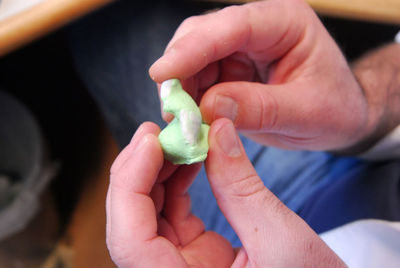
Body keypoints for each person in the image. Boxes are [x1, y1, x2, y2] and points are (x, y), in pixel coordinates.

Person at [68, 0, 400, 266]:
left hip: (240, 235)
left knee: (106, 28)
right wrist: (366, 104)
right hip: (352, 162)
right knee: (121, 20)